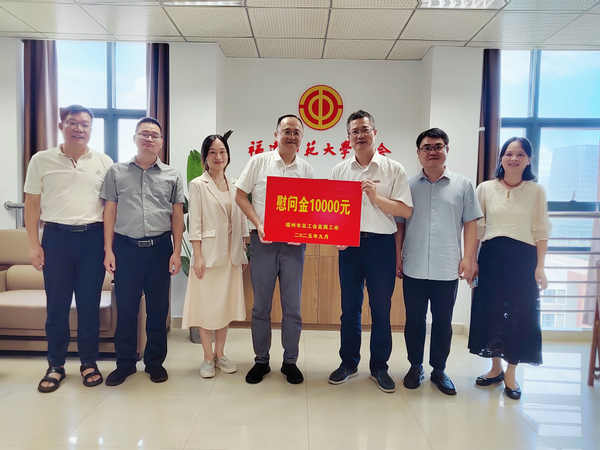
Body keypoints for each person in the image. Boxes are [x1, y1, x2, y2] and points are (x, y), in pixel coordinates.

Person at [24, 104, 113, 393]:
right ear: (62, 126)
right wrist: (34, 245)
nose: (79, 128)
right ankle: (55, 365)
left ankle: (89, 363)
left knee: (89, 307)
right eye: (73, 122)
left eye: (85, 124)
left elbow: (110, 208)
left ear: (91, 129)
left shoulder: (104, 161)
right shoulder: (41, 160)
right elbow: (32, 205)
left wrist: (108, 248)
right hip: (56, 239)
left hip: (92, 239)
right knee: (57, 307)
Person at [328, 110, 413, 393]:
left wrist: (376, 198)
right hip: (349, 246)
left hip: (381, 246)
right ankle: (349, 362)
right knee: (349, 308)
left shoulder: (393, 169)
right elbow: (331, 211)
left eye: (365, 129)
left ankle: (379, 366)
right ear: (348, 137)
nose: (360, 135)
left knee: (381, 308)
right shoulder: (340, 170)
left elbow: (405, 210)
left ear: (374, 133)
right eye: (355, 131)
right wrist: (335, 236)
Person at [395, 128, 482, 396]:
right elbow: (400, 224)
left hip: (447, 266)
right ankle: (415, 366)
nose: (432, 151)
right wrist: (397, 255)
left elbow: (471, 223)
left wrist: (468, 258)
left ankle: (439, 370)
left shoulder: (463, 185)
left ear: (446, 150)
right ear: (418, 153)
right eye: (427, 147)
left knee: (443, 321)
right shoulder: (407, 185)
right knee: (414, 320)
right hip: (414, 264)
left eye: (438, 146)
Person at [101, 117, 184, 386]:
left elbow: (177, 216)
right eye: (144, 134)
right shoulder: (116, 171)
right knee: (126, 310)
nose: (149, 138)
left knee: (158, 311)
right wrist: (108, 250)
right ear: (135, 138)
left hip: (160, 250)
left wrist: (176, 252)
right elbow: (109, 212)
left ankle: (155, 363)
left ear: (161, 142)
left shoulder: (173, 175)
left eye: (154, 135)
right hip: (126, 249)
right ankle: (125, 364)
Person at [468, 136, 551, 400]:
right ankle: (495, 368)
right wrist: (471, 259)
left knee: (519, 315)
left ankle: (511, 373)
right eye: (509, 153)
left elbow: (541, 229)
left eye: (520, 154)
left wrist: (541, 266)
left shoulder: (536, 191)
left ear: (528, 160)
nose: (514, 158)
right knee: (491, 312)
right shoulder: (485, 188)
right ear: (501, 158)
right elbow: (477, 228)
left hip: (523, 260)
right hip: (491, 257)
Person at [235, 114, 316, 385]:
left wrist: (302, 231)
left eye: (296, 132)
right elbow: (240, 195)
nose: (291, 136)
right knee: (261, 306)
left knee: (292, 307)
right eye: (286, 131)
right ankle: (261, 360)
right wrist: (258, 224)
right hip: (264, 244)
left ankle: (290, 361)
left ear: (302, 137)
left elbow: (311, 206)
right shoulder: (259, 162)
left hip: (294, 247)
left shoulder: (306, 169)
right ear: (276, 135)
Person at [182, 134, 249, 378]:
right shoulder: (198, 184)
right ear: (205, 157)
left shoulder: (235, 183)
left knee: (225, 306)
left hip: (231, 254)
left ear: (228, 155)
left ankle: (220, 354)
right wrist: (197, 255)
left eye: (222, 151)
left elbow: (241, 217)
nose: (218, 156)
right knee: (206, 306)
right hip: (208, 255)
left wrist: (243, 249)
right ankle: (207, 357)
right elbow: (195, 223)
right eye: (212, 152)